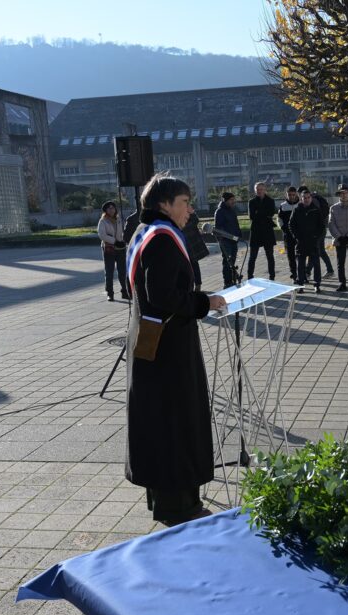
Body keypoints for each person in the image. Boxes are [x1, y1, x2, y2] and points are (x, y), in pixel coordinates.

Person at [124, 174, 227, 527]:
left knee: (161, 420)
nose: (190, 209)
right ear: (164, 204)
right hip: (168, 349)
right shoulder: (162, 239)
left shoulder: (144, 232)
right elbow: (164, 296)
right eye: (184, 201)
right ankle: (179, 507)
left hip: (153, 339)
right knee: (174, 421)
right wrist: (205, 301)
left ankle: (171, 500)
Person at [289, 188, 324, 292]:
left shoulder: (316, 210)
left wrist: (316, 237)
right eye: (304, 198)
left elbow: (321, 226)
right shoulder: (296, 210)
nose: (307, 199)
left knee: (316, 264)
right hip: (301, 242)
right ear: (301, 198)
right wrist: (296, 237)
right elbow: (291, 225)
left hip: (313, 242)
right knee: (300, 265)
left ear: (311, 198)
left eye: (309, 197)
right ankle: (300, 285)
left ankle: (317, 284)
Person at [97, 201, 127, 301]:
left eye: (113, 208)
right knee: (109, 271)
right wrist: (114, 241)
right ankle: (110, 293)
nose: (111, 210)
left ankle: (124, 291)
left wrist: (123, 241)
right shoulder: (103, 221)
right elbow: (102, 235)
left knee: (122, 271)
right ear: (105, 210)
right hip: (109, 248)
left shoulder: (119, 219)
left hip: (120, 248)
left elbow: (123, 231)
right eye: (109, 208)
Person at [246, 181, 277, 280]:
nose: (259, 191)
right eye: (257, 190)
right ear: (255, 191)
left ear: (265, 190)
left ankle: (272, 277)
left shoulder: (270, 201)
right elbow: (252, 216)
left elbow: (271, 213)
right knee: (252, 257)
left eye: (261, 189)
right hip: (256, 231)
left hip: (267, 231)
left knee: (270, 256)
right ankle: (250, 276)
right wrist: (263, 213)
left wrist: (258, 212)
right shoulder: (251, 202)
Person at [213, 191, 242, 287]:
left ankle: (233, 280)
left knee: (232, 261)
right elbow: (219, 228)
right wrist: (224, 238)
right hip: (226, 241)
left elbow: (235, 224)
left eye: (234, 199)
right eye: (231, 200)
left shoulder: (232, 210)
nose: (233, 201)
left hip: (234, 240)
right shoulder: (220, 211)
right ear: (225, 200)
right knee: (227, 261)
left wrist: (238, 235)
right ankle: (227, 282)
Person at [309, 187, 335, 279]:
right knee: (321, 251)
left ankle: (307, 272)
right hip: (322, 229)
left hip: (317, 230)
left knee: (314, 251)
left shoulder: (313, 201)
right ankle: (330, 270)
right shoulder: (318, 199)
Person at [278, 186, 300, 282]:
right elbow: (279, 219)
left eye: (293, 195)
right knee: (290, 256)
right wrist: (283, 229)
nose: (291, 196)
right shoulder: (283, 206)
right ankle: (294, 274)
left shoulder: (300, 204)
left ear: (296, 194)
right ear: (286, 195)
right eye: (289, 195)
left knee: (300, 255)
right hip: (288, 235)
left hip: (299, 235)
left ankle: (302, 273)